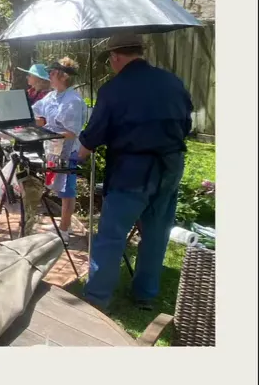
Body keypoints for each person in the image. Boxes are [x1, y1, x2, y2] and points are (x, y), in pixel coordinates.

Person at [78, 34, 193, 313]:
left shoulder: (113, 89)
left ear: (116, 57)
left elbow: (92, 138)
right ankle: (145, 293)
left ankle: (96, 298)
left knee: (112, 235)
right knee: (156, 232)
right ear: (140, 52)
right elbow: (186, 125)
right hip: (170, 165)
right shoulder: (173, 81)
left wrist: (75, 157)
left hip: (133, 170)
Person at [31, 57, 86, 242]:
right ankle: (65, 223)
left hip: (68, 149)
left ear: (63, 76)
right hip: (53, 147)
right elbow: (38, 113)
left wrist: (48, 133)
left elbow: (72, 131)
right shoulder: (51, 96)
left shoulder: (73, 100)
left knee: (67, 188)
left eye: (52, 73)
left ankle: (63, 229)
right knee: (58, 186)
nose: (49, 76)